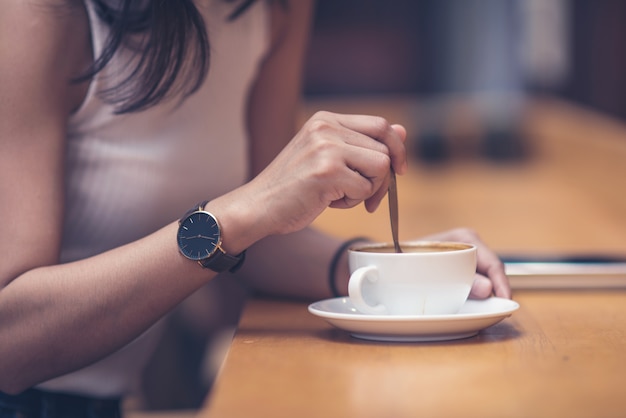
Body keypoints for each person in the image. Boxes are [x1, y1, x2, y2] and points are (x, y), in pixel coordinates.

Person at [0, 0, 511, 416]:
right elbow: (10, 343)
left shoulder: (274, 10)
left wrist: (397, 271)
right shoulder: (41, 14)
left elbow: (262, 241)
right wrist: (237, 213)